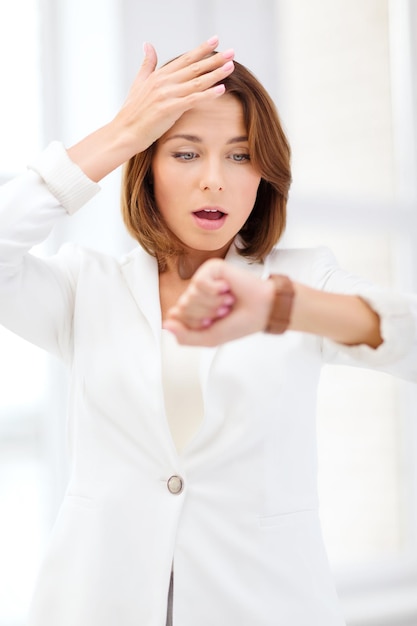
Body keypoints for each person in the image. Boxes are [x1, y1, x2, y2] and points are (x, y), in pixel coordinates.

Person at [0, 35, 416, 626]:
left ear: (265, 173)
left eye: (241, 155)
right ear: (147, 165)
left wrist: (280, 305)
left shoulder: (301, 280)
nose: (214, 180)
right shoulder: (85, 288)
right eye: (186, 153)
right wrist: (120, 133)